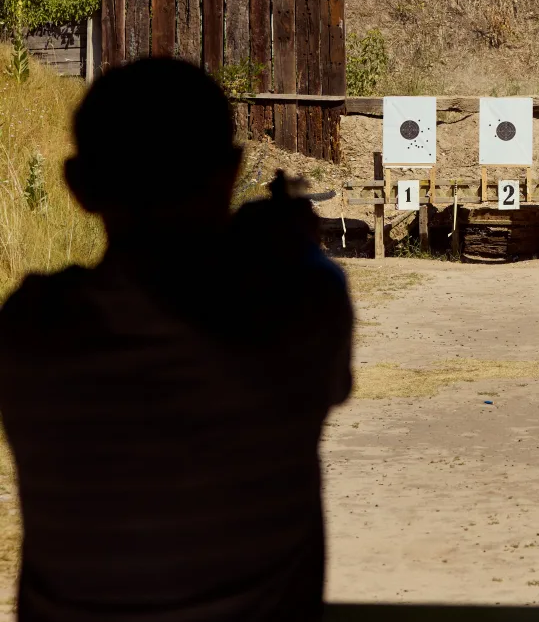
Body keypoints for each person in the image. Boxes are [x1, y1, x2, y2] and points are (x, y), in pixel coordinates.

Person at [0, 58, 353, 621]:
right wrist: (283, 247)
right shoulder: (297, 310)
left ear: (78, 186)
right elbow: (305, 299)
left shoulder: (33, 325)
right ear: (232, 170)